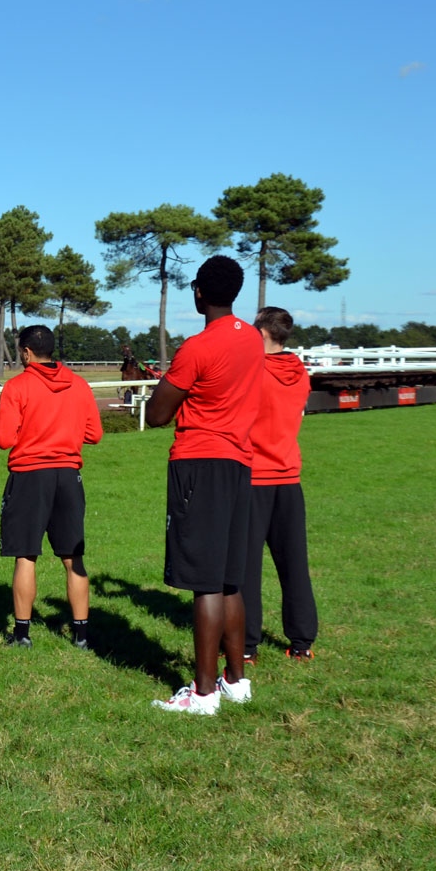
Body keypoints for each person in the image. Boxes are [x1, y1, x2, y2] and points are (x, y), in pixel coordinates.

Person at [144, 256, 264, 715]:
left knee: (205, 583)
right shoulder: (252, 338)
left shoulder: (197, 347)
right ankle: (236, 680)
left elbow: (157, 414)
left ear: (198, 292)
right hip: (239, 462)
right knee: (231, 578)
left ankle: (204, 692)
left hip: (200, 463)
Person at [0, 325, 103, 649]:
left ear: (26, 352)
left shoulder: (18, 386)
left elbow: (4, 438)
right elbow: (94, 434)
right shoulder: (80, 385)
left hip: (29, 476)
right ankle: (81, 635)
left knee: (26, 555)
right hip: (68, 476)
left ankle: (22, 634)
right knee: (73, 558)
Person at [244, 306, 318, 662]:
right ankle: (302, 643)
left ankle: (246, 646)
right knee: (294, 565)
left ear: (261, 332)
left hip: (255, 477)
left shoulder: (253, 371)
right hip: (289, 477)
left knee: (247, 568)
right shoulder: (300, 373)